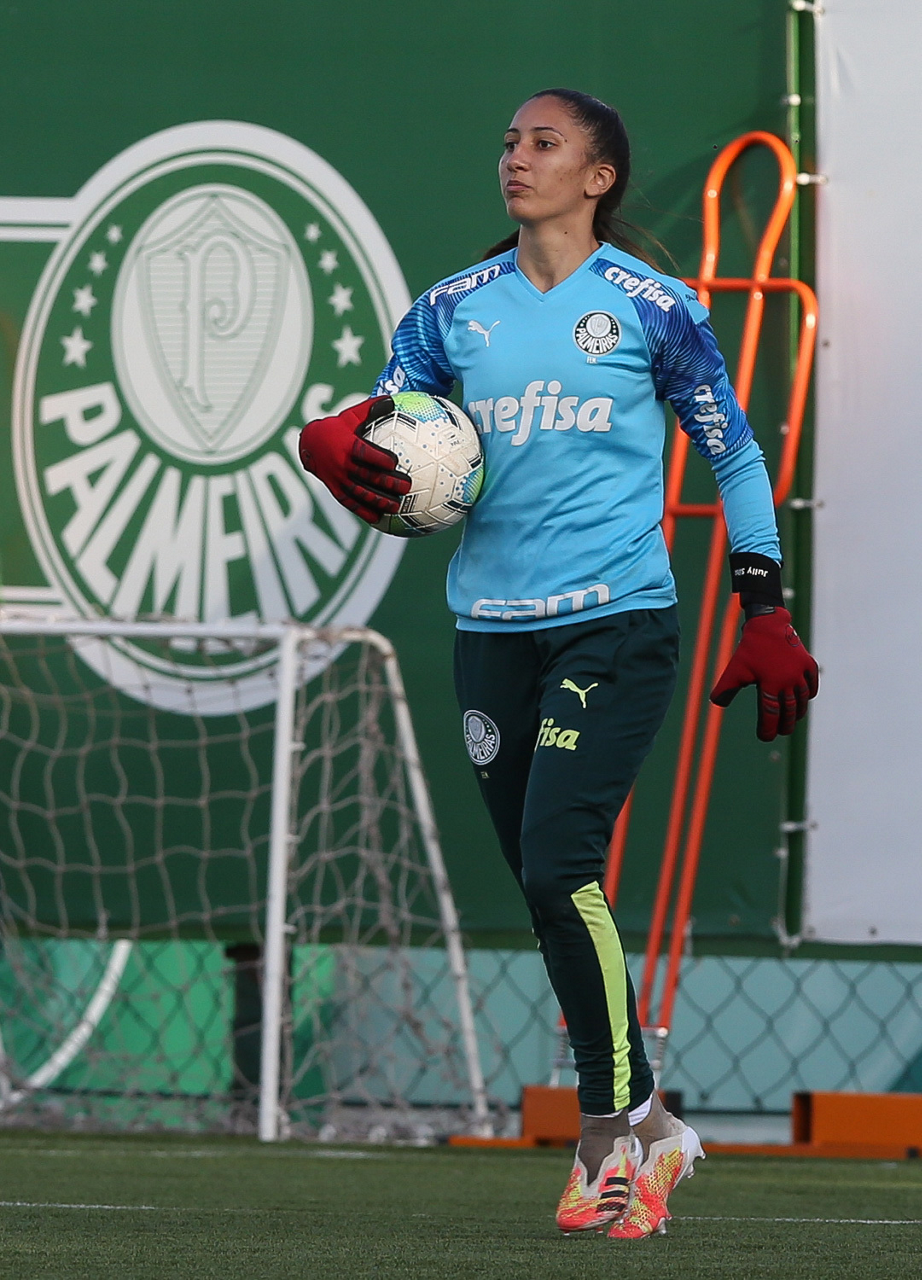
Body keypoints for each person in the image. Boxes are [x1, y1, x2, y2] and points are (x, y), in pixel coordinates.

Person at [299, 88, 819, 1239]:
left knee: (556, 864)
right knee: (553, 893)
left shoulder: (654, 307)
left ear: (599, 177)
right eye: (508, 142)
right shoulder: (447, 311)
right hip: (489, 630)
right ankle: (657, 1124)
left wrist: (763, 604)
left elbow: (735, 456)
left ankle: (603, 1137)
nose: (516, 158)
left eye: (544, 143)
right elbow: (392, 442)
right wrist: (330, 445)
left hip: (615, 623)